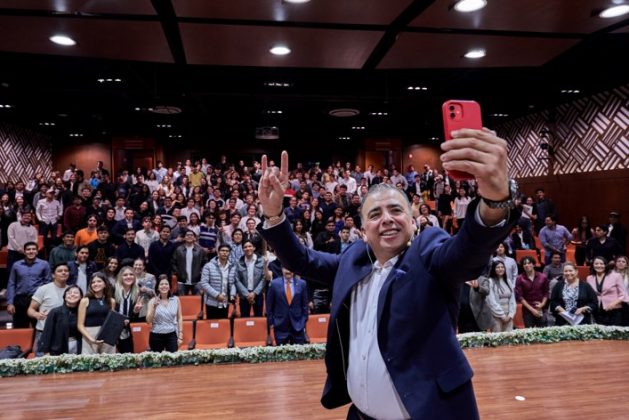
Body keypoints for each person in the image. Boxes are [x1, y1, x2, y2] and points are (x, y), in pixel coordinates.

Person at [258, 133, 518, 420]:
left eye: (396, 210)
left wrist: (494, 202)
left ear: (412, 222)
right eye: (375, 214)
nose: (387, 219)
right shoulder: (352, 260)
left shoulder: (429, 253)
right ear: (363, 231)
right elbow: (300, 259)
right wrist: (274, 214)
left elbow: (467, 253)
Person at [27, 262, 70, 356]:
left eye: (66, 271)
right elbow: (30, 310)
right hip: (44, 332)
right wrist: (36, 314)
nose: (63, 272)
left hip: (64, 333)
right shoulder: (43, 289)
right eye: (60, 271)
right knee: (42, 362)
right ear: (53, 275)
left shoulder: (72, 291)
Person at [6, 242, 52, 328]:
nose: (31, 251)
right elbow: (11, 284)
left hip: (37, 300)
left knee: (39, 327)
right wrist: (10, 303)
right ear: (24, 251)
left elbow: (48, 284)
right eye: (28, 249)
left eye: (33, 249)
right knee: (20, 328)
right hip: (20, 300)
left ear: (37, 251)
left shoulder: (44, 264)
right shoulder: (16, 265)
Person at [267, 267, 309, 345]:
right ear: (282, 269)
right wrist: (271, 322)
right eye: (286, 268)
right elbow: (269, 306)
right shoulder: (274, 284)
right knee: (281, 352)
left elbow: (305, 305)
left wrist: (303, 321)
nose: (288, 271)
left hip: (298, 325)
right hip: (280, 326)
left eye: (290, 268)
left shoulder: (302, 284)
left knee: (299, 352)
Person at [77, 273, 116, 354]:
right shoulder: (85, 301)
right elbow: (80, 325)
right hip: (89, 335)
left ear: (105, 284)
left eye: (99, 281)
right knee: (90, 361)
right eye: (93, 282)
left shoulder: (111, 301)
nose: (95, 284)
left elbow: (112, 321)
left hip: (107, 335)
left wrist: (122, 322)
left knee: (109, 361)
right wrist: (91, 339)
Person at [39, 285, 84, 355]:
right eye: (69, 293)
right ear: (65, 297)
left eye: (76, 293)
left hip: (78, 347)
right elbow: (47, 332)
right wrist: (46, 351)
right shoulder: (55, 312)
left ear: (81, 297)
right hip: (57, 349)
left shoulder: (83, 312)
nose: (72, 294)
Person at [146, 275, 183, 352]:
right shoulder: (152, 301)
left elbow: (179, 318)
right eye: (161, 284)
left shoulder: (176, 299)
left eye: (166, 284)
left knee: (173, 358)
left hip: (172, 334)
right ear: (158, 287)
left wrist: (180, 335)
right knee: (157, 359)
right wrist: (154, 307)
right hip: (156, 335)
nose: (164, 286)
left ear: (169, 287)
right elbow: (148, 321)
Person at [586, 256, 626, 326]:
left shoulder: (616, 276)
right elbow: (589, 295)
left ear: (605, 265)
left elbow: (623, 294)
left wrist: (613, 303)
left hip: (614, 310)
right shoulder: (589, 278)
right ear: (593, 265)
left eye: (601, 264)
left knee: (613, 332)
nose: (599, 266)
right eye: (596, 263)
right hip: (597, 311)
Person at [199, 244, 236, 319]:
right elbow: (204, 283)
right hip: (212, 302)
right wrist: (217, 295)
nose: (225, 253)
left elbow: (233, 283)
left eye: (227, 251)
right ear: (218, 252)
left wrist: (232, 294)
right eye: (222, 250)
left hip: (225, 302)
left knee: (224, 324)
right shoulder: (208, 266)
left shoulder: (232, 267)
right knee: (212, 324)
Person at [514, 256, 550, 328]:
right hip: (527, 309)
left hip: (541, 308)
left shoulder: (543, 277)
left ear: (533, 264)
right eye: (524, 264)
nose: (527, 265)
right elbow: (520, 297)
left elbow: (546, 293)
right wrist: (532, 310)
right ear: (523, 266)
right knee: (529, 332)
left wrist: (542, 304)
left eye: (529, 263)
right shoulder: (519, 278)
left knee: (543, 331)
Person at [234, 239, 266, 317]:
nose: (248, 248)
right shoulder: (238, 262)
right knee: (244, 319)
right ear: (243, 249)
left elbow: (264, 277)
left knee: (258, 319)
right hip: (244, 295)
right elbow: (236, 279)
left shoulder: (262, 260)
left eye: (250, 246)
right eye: (245, 247)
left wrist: (254, 293)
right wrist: (247, 294)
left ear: (254, 248)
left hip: (257, 294)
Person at [114, 266, 142, 353]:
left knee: (128, 356)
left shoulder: (136, 292)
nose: (128, 277)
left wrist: (135, 312)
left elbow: (133, 318)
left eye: (131, 274)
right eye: (125, 275)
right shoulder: (113, 290)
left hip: (126, 331)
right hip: (113, 328)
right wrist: (119, 321)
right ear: (120, 277)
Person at [171, 230, 207, 295]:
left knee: (198, 300)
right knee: (181, 300)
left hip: (197, 281)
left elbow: (205, 263)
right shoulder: (178, 250)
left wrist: (201, 272)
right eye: (187, 235)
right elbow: (173, 263)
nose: (189, 236)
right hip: (182, 281)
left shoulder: (200, 250)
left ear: (194, 238)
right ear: (184, 238)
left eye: (191, 235)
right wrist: (178, 273)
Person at [483, 261, 516, 332]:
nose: (500, 269)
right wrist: (502, 316)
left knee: (509, 337)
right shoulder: (490, 281)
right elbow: (491, 301)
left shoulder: (508, 281)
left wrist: (510, 314)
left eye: (502, 267)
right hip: (495, 314)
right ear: (494, 269)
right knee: (497, 337)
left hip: (508, 314)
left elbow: (512, 299)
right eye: (498, 267)